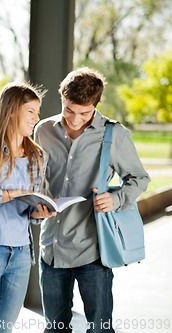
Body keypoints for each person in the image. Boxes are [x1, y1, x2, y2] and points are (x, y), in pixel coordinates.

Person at [34, 67, 150, 333]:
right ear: (63, 99)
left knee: (99, 329)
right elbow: (35, 179)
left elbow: (139, 178)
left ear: (96, 105)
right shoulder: (43, 131)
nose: (75, 120)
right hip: (51, 248)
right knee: (54, 328)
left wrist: (116, 198)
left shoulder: (114, 134)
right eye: (69, 110)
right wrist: (37, 203)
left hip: (93, 251)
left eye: (84, 113)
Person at [0, 82, 55, 333]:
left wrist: (39, 212)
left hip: (21, 255)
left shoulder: (37, 155)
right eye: (31, 111)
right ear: (12, 110)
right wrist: (11, 193)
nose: (37, 118)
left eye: (37, 112)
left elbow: (30, 213)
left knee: (4, 330)